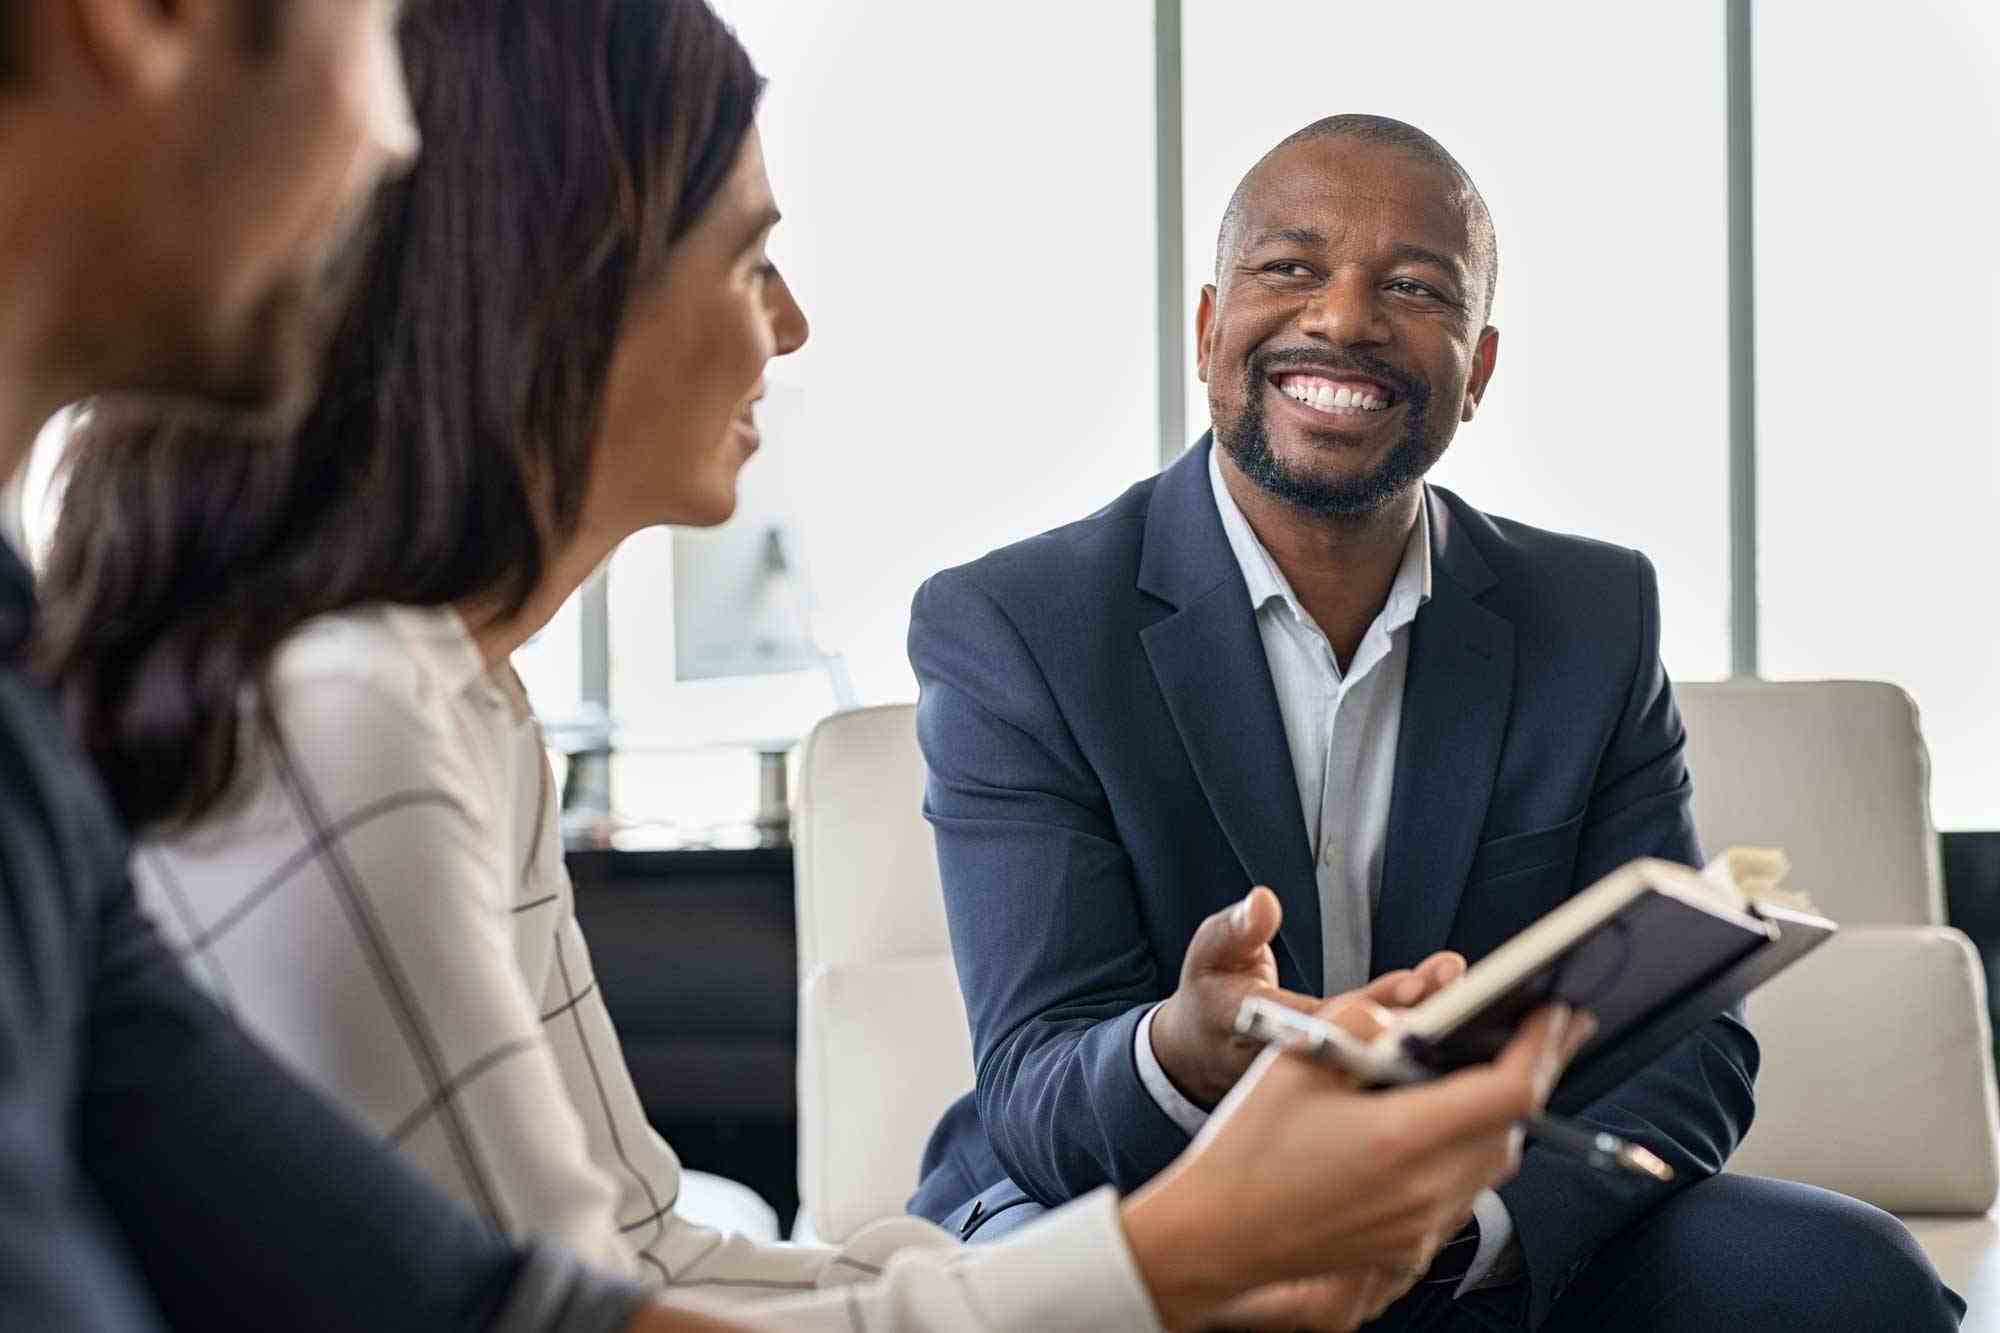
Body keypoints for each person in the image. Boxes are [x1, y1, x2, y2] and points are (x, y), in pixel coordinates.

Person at [32, 6, 1599, 1330]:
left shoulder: (464, 705)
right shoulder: (357, 705)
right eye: (744, 258)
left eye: (1416, 286)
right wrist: (1177, 1257)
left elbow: (635, 1244)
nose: (790, 327)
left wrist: (1108, 1271)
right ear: (554, 288)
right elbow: (582, 1305)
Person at [905, 113, 1966, 1330]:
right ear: (1208, 333)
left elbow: (1687, 1043)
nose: (1345, 319)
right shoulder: (1017, 625)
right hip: (1137, 1196)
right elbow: (1038, 1080)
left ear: (1479, 368)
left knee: (1853, 1277)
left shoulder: (1590, 615)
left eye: (1411, 287)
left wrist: (1446, 1222)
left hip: (1484, 1226)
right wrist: (1177, 1048)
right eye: (1289, 268)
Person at [0, 0, 761, 1328]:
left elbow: (496, 1307)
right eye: (369, 31)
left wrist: (1165, 1265)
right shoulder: (348, 700)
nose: (403, 142)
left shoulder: (27, 743)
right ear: (139, 19)